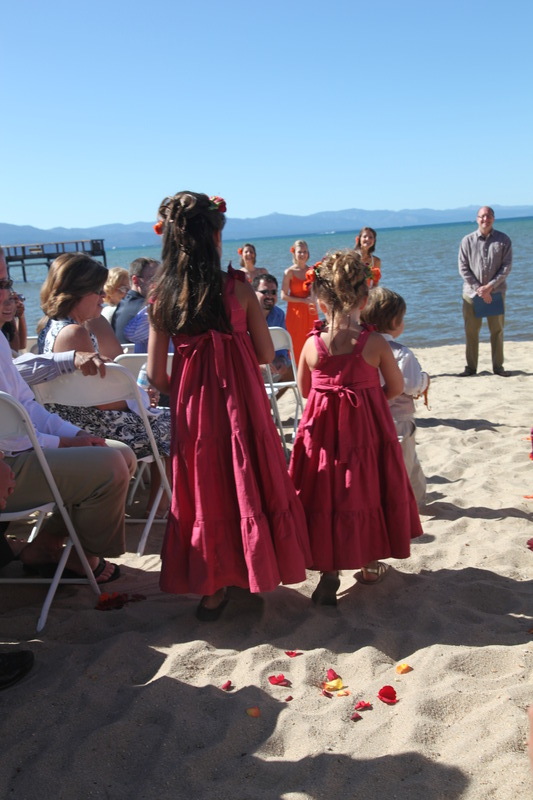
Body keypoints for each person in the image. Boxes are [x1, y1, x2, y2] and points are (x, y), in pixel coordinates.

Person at [147, 191, 310, 620]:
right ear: (215, 239)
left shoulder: (162, 297)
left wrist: (191, 383)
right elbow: (264, 353)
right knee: (246, 479)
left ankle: (212, 587)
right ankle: (251, 570)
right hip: (241, 404)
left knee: (205, 488)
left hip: (194, 410)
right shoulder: (238, 289)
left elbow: (157, 376)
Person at [289, 250, 423, 606]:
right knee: (366, 489)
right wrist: (368, 398)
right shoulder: (373, 343)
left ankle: (329, 572)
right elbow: (395, 387)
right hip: (365, 431)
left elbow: (305, 390)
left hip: (322, 435)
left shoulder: (311, 344)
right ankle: (369, 563)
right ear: (364, 300)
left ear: (320, 302)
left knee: (325, 493)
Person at [0, 247, 136, 583]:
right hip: (10, 460)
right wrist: (61, 443)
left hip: (19, 451)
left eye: (8, 283)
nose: (9, 295)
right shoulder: (72, 331)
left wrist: (74, 435)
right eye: (3, 285)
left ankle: (48, 544)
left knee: (122, 454)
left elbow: (25, 404)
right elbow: (10, 433)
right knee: (111, 465)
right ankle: (83, 556)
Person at [38, 253, 171, 515]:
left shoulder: (49, 327)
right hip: (91, 426)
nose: (103, 297)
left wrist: (137, 397)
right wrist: (139, 398)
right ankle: (160, 507)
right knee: (177, 423)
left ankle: (161, 503)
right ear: (78, 293)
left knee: (162, 419)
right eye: (97, 291)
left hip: (70, 421)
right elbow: (101, 401)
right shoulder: (75, 332)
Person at [361, 287, 429, 506]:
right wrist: (425, 380)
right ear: (394, 322)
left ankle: (413, 500)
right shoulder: (401, 352)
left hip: (369, 418)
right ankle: (412, 503)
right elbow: (411, 385)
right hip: (398, 419)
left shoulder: (361, 349)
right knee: (406, 462)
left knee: (388, 464)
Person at [458, 206, 512, 377]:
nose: (485, 219)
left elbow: (506, 267)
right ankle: (470, 369)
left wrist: (490, 287)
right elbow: (463, 268)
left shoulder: (504, 240)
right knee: (471, 332)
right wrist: (478, 288)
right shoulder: (467, 241)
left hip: (495, 293)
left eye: (488, 216)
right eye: (482, 216)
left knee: (497, 331)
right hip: (471, 294)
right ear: (477, 219)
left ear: (493, 218)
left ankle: (498, 368)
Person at [281, 240, 319, 363]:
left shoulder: (312, 271)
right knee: (296, 344)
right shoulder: (289, 272)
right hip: (295, 313)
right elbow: (283, 296)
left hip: (310, 311)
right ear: (294, 253)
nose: (302, 254)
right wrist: (302, 300)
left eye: (305, 251)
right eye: (300, 252)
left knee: (313, 341)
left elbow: (317, 291)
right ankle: (297, 370)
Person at [252, 273, 293, 383]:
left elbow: (281, 348)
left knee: (294, 371)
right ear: (253, 293)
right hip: (249, 366)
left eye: (273, 292)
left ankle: (273, 395)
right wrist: (259, 365)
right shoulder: (245, 315)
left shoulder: (279, 314)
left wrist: (282, 360)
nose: (269, 296)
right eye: (265, 292)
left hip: (271, 365)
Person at [111, 257, 160, 343]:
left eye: (161, 278)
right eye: (153, 278)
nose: (159, 283)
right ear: (136, 280)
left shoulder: (122, 305)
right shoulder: (146, 310)